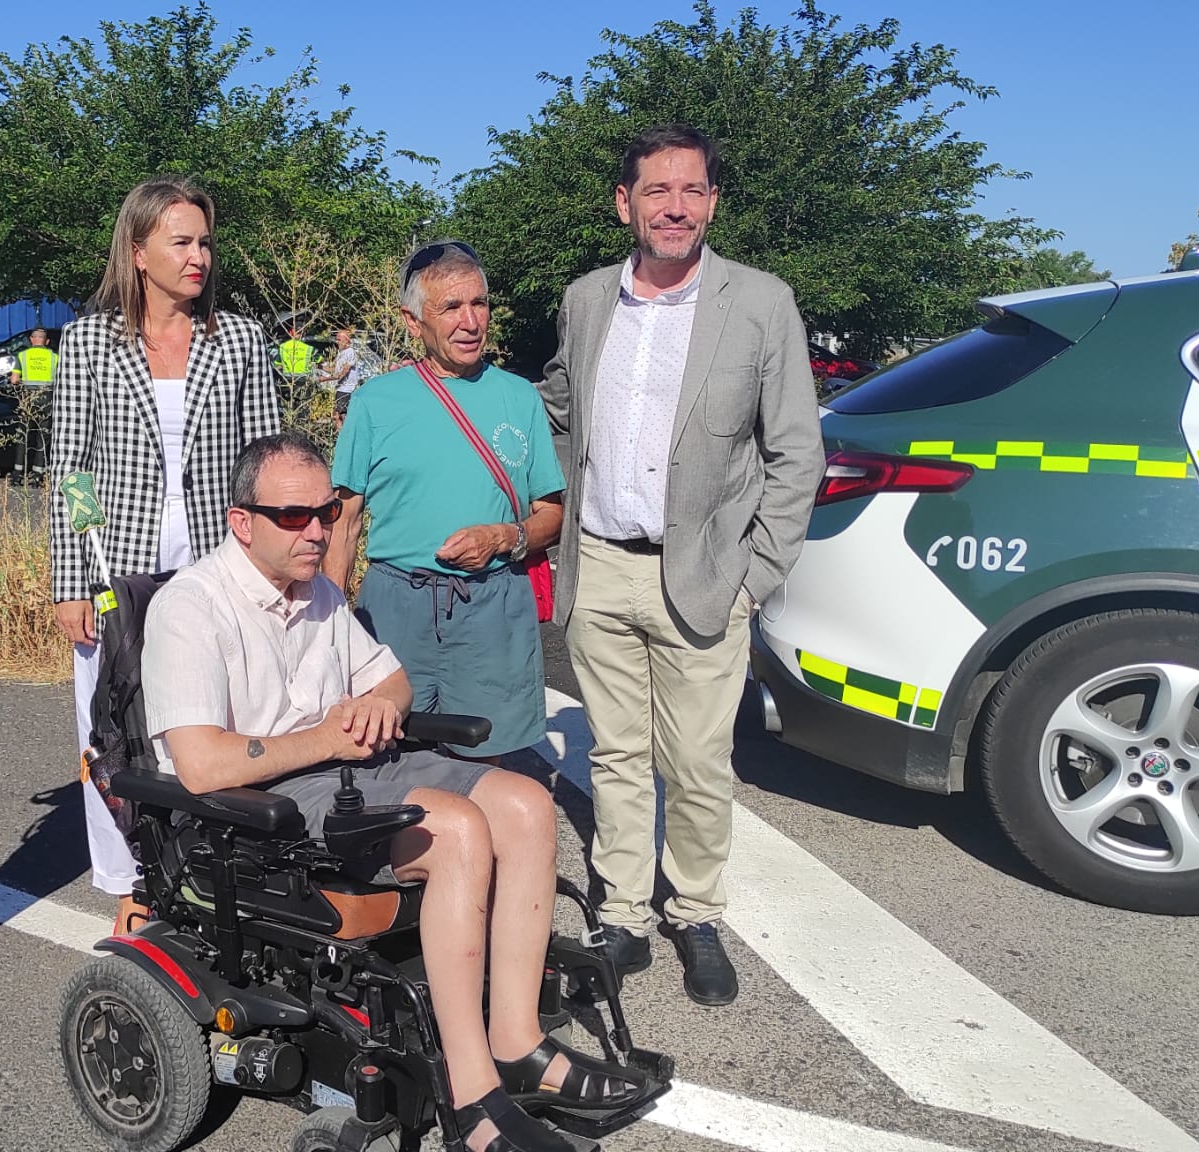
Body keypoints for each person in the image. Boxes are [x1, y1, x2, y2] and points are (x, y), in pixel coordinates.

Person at [144, 434, 643, 1152]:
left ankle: (518, 1043)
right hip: (262, 804)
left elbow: (392, 679)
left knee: (526, 805)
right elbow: (200, 766)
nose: (317, 530)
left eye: (325, 512)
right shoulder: (191, 608)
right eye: (294, 517)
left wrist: (382, 703)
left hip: (347, 767)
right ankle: (471, 1100)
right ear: (241, 521)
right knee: (460, 829)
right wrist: (328, 738)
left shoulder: (315, 590)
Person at [536, 125, 822, 1005]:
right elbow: (555, 411)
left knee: (697, 761)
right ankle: (621, 912)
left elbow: (796, 453)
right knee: (617, 755)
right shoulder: (587, 300)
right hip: (599, 564)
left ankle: (695, 910)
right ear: (624, 204)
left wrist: (754, 579)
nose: (675, 207)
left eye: (691, 191)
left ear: (711, 203)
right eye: (657, 191)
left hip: (704, 573)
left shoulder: (760, 303)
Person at [47, 175, 281, 931]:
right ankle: (131, 885)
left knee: (218, 725)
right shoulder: (88, 342)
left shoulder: (241, 339)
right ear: (139, 251)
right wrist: (73, 579)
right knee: (114, 731)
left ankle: (222, 875)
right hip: (120, 571)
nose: (199, 256)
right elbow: (73, 468)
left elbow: (267, 461)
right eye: (181, 241)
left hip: (219, 570)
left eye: (206, 241)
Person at [325, 241, 564, 766]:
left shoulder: (519, 397)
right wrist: (330, 623)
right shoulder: (375, 401)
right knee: (382, 757)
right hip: (395, 608)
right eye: (451, 308)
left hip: (491, 603)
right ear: (413, 322)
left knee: (482, 762)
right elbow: (343, 525)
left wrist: (504, 537)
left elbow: (551, 514)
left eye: (479, 304)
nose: (470, 320)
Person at [318, 326, 363, 423]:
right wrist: (320, 367)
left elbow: (342, 373)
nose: (337, 342)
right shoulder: (341, 353)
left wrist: (324, 379)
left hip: (347, 390)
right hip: (341, 389)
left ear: (347, 340)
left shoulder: (350, 352)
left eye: (339, 339)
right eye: (336, 339)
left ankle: (343, 435)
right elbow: (334, 370)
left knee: (340, 416)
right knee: (338, 415)